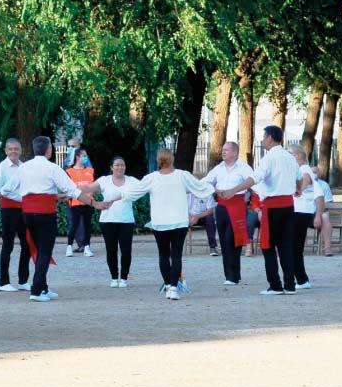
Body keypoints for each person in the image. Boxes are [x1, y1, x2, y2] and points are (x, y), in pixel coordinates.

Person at [105, 148, 215, 300]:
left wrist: (111, 200)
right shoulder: (183, 176)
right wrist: (219, 189)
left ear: (159, 161)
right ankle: (174, 289)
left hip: (160, 223)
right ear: (172, 159)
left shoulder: (151, 178)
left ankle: (168, 285)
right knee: (176, 256)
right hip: (179, 222)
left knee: (163, 254)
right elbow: (202, 188)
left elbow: (130, 193)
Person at [2, 136, 93, 302]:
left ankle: (42, 287)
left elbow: (6, 190)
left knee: (38, 249)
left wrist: (27, 198)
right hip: (45, 214)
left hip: (28, 214)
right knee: (44, 251)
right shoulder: (53, 168)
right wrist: (95, 203)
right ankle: (36, 290)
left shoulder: (24, 168)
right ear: (48, 150)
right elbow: (73, 190)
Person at [217, 125, 301, 296]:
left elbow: (254, 179)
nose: (262, 140)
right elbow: (299, 178)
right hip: (289, 205)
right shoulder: (289, 157)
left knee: (268, 246)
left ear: (270, 137)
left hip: (273, 206)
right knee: (285, 246)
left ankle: (275, 285)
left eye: (264, 137)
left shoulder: (269, 158)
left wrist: (233, 190)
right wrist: (298, 189)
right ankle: (290, 285)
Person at [80, 157, 139, 288]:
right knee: (111, 250)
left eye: (122, 165)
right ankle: (113, 277)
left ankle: (123, 278)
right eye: (117, 165)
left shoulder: (132, 181)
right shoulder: (104, 180)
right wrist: (73, 189)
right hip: (107, 220)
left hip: (126, 220)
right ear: (112, 167)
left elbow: (145, 188)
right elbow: (89, 188)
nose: (120, 168)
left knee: (126, 250)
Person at [201, 141, 254, 285]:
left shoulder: (243, 167)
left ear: (235, 153)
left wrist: (235, 190)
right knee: (224, 241)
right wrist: (215, 190)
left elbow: (252, 180)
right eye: (223, 149)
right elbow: (206, 182)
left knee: (233, 240)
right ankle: (229, 275)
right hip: (222, 207)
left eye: (227, 150)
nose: (223, 152)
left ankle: (234, 275)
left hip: (237, 206)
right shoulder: (218, 168)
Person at [0, 138, 30, 292]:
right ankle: (4, 282)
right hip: (9, 209)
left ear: (20, 150)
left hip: (24, 209)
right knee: (8, 245)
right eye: (10, 149)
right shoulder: (1, 167)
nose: (13, 151)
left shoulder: (25, 167)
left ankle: (23, 281)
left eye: (16, 149)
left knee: (27, 245)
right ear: (5, 151)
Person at [286, 145, 321, 290]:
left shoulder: (303, 169)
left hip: (300, 212)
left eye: (290, 154)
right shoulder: (299, 169)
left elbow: (306, 179)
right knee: (295, 247)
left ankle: (301, 280)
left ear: (298, 156)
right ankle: (300, 279)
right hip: (299, 212)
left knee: (294, 247)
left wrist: (298, 189)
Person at [65, 147, 95, 257]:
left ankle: (87, 247)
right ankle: (69, 246)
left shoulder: (90, 170)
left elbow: (93, 185)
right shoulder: (69, 171)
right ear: (77, 157)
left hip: (88, 202)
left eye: (86, 156)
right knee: (74, 225)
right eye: (84, 156)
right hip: (75, 202)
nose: (86, 158)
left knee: (87, 226)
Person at [314, 166, 335, 256]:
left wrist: (318, 209)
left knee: (325, 216)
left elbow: (327, 202)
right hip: (306, 212)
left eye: (315, 172)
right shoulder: (303, 183)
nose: (314, 174)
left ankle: (327, 249)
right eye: (312, 172)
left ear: (319, 174)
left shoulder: (324, 185)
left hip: (320, 212)